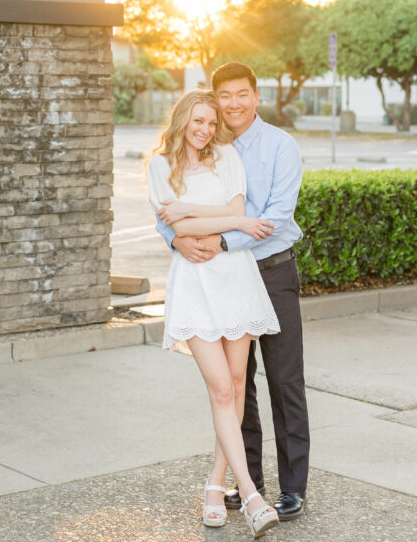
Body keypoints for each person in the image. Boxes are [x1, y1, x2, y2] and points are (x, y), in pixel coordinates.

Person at [156, 64, 310, 522]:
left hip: (272, 271)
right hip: (216, 276)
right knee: (236, 386)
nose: (234, 103)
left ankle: (293, 487)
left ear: (256, 97)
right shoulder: (210, 147)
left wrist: (222, 240)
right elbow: (167, 212)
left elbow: (277, 217)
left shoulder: (280, 146)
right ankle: (249, 483)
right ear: (214, 99)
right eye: (225, 95)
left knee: (284, 381)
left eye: (242, 94)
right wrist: (177, 239)